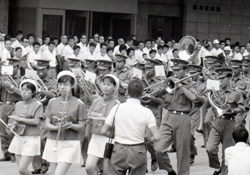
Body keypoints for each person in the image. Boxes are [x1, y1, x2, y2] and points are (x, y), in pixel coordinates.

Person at [101, 79, 160, 175]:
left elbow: (103, 130)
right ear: (142, 93)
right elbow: (157, 137)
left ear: (127, 92)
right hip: (138, 149)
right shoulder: (146, 112)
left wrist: (118, 135)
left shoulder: (117, 108)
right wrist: (147, 138)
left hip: (119, 148)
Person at [155, 59, 198, 175]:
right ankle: (169, 170)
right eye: (174, 70)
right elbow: (156, 95)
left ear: (186, 70)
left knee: (183, 153)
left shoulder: (190, 84)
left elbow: (194, 97)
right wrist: (162, 85)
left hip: (183, 117)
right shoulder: (170, 82)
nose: (175, 73)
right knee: (158, 148)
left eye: (178, 70)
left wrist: (180, 86)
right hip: (169, 116)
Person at [43, 71, 86, 175]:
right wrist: (57, 128)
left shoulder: (79, 104)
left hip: (70, 142)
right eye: (60, 84)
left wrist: (70, 125)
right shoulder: (52, 102)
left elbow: (81, 127)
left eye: (65, 84)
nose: (62, 87)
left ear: (72, 85)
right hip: (53, 141)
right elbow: (47, 124)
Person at [206, 67, 245, 175]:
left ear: (229, 78)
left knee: (226, 152)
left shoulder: (236, 93)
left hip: (230, 122)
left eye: (223, 78)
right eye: (218, 79)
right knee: (210, 148)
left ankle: (224, 172)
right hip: (217, 122)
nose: (220, 81)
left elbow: (242, 108)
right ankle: (217, 167)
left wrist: (232, 109)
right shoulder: (215, 92)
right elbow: (208, 105)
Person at [85, 74, 119, 175]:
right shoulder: (95, 101)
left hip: (108, 139)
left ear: (114, 87)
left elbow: (118, 124)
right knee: (89, 167)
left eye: (109, 85)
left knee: (107, 171)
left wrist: (103, 118)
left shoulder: (117, 104)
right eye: (104, 84)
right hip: (95, 137)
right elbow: (89, 120)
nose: (105, 87)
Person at [8, 79, 43, 175]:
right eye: (22, 90)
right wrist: (13, 125)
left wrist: (20, 119)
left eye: (27, 90)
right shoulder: (18, 104)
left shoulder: (38, 105)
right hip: (19, 137)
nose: (23, 92)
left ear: (33, 92)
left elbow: (36, 121)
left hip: (31, 138)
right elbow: (15, 119)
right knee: (21, 170)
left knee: (23, 169)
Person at [0, 58, 22, 162]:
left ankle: (14, 152)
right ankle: (6, 153)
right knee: (3, 132)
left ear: (18, 68)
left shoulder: (21, 79)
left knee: (11, 130)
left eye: (14, 67)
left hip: (15, 105)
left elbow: (23, 93)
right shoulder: (3, 78)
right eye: (10, 66)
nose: (11, 69)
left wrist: (11, 86)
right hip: (4, 105)